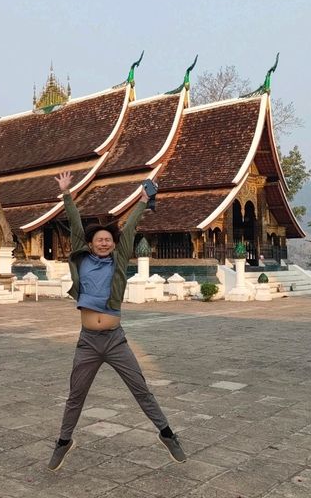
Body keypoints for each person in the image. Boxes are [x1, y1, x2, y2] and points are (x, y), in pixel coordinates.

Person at [47, 172, 186, 471]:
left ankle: (167, 433)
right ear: (91, 243)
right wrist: (67, 193)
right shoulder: (81, 258)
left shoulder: (118, 261)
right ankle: (63, 441)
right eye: (99, 240)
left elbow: (131, 227)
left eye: (108, 240)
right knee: (76, 395)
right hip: (87, 341)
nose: (104, 244)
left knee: (140, 388)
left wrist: (142, 202)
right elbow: (74, 224)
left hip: (114, 340)